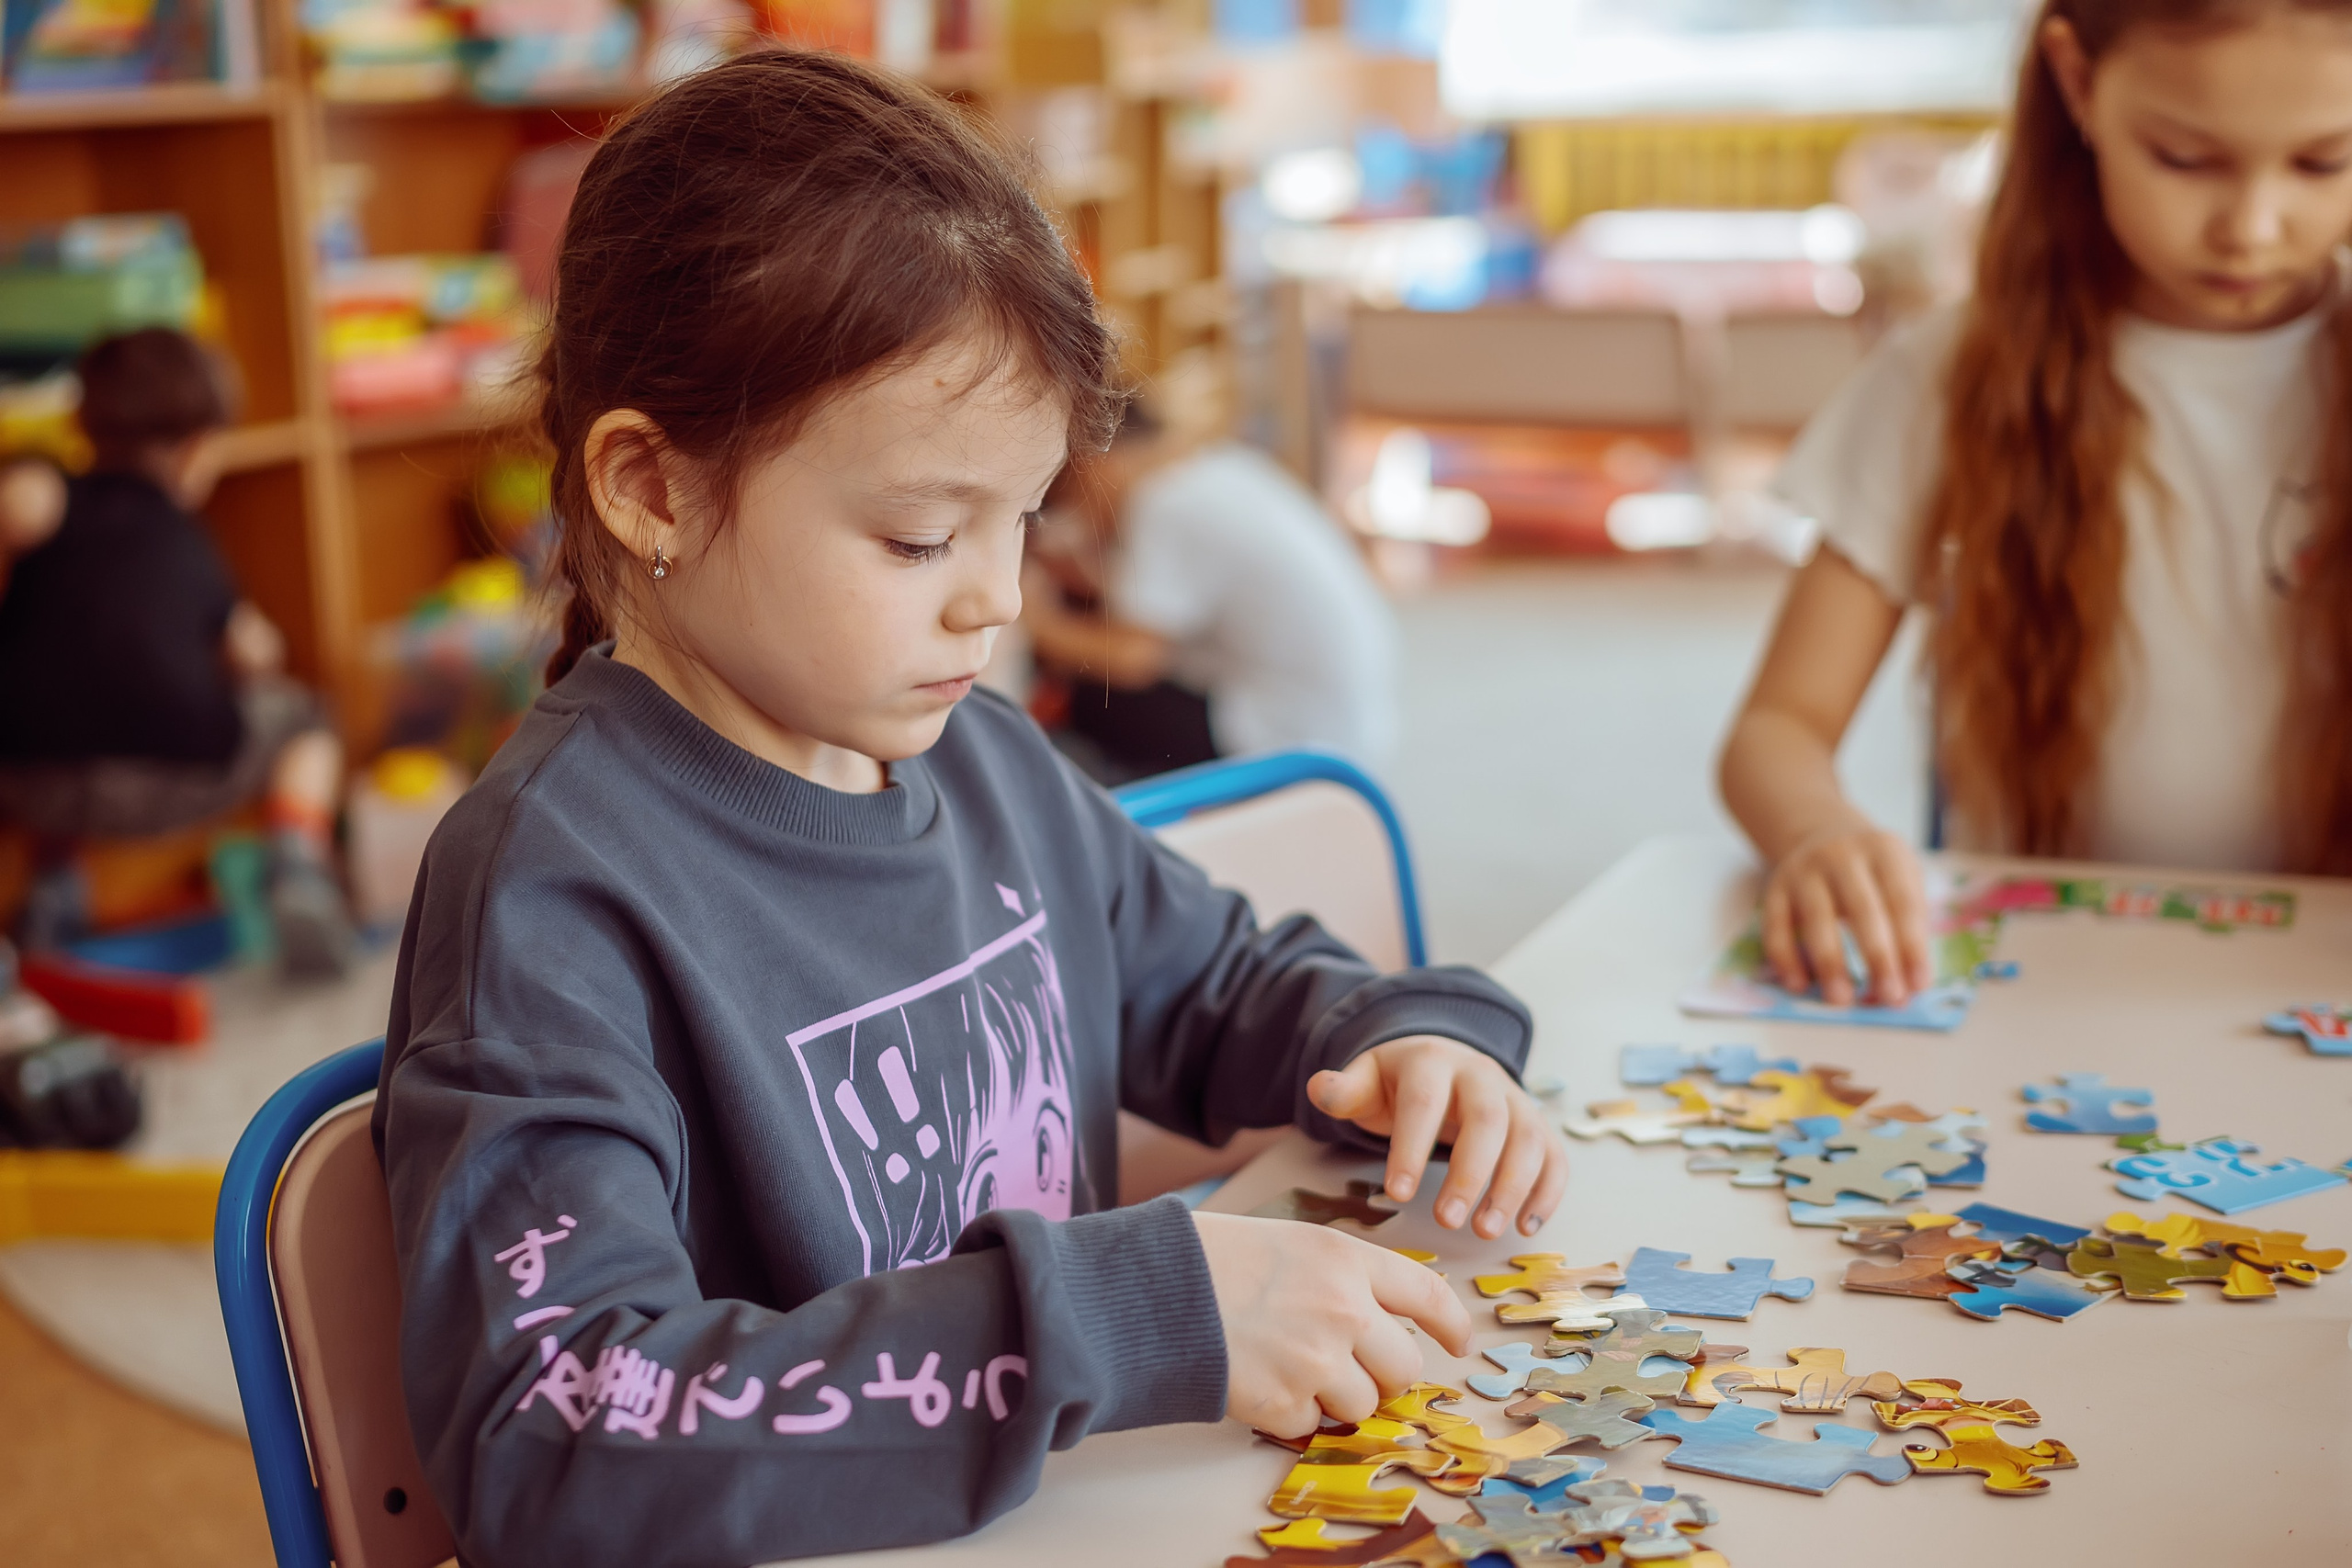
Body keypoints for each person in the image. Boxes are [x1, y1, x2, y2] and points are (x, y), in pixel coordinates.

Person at [374, 53, 1567, 1568]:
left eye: (1024, 522)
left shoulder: (985, 765)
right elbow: (556, 1437)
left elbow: (1222, 986)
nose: (996, 599)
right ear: (652, 489)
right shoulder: (547, 891)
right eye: (921, 533)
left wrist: (1407, 1036)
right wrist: (1130, 1313)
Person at [1718, 0, 2352, 1008]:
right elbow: (1775, 728)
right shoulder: (1947, 373)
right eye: (2185, 159)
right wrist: (1817, 832)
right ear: (2074, 81)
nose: (2253, 227)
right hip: (2040, 986)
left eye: (2323, 163)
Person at [0, 329, 355, 974]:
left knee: (66, 694)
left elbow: (20, 504)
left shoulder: (53, 498)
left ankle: (56, 884)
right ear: (197, 449)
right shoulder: (189, 541)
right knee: (306, 717)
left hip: (29, 782)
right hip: (173, 775)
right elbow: (254, 653)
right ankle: (298, 862)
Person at [1022, 404, 1398, 782]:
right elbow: (1173, 605)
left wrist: (1035, 623)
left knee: (1095, 699)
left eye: (1067, 494)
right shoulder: (1223, 467)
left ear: (1091, 466)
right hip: (1352, 726)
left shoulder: (1165, 504)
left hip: (1285, 736)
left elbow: (1133, 658)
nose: (1079, 515)